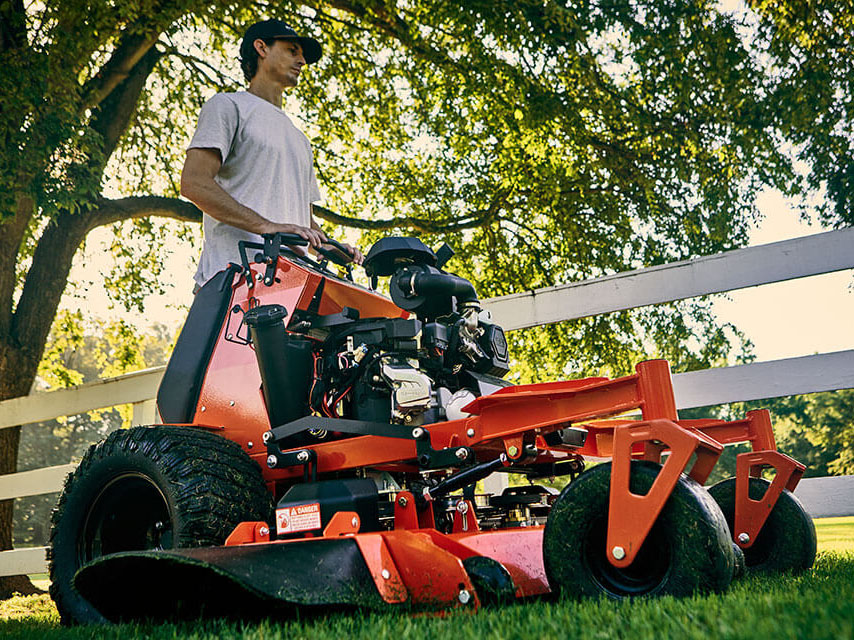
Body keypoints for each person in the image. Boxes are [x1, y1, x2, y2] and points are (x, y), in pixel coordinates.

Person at [181, 19, 363, 289]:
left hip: (291, 286)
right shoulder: (228, 105)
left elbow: (302, 219)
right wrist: (266, 226)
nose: (302, 61)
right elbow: (194, 183)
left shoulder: (300, 140)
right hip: (234, 281)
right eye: (292, 50)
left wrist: (328, 246)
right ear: (261, 48)